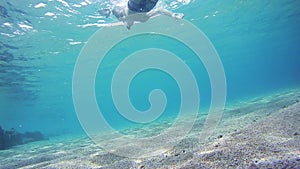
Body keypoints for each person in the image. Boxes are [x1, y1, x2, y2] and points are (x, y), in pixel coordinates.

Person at [98, 0, 184, 29]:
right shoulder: (142, 19)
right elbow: (159, 10)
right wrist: (172, 15)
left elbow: (159, 10)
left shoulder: (143, 19)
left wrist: (172, 15)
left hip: (138, 6)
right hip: (139, 6)